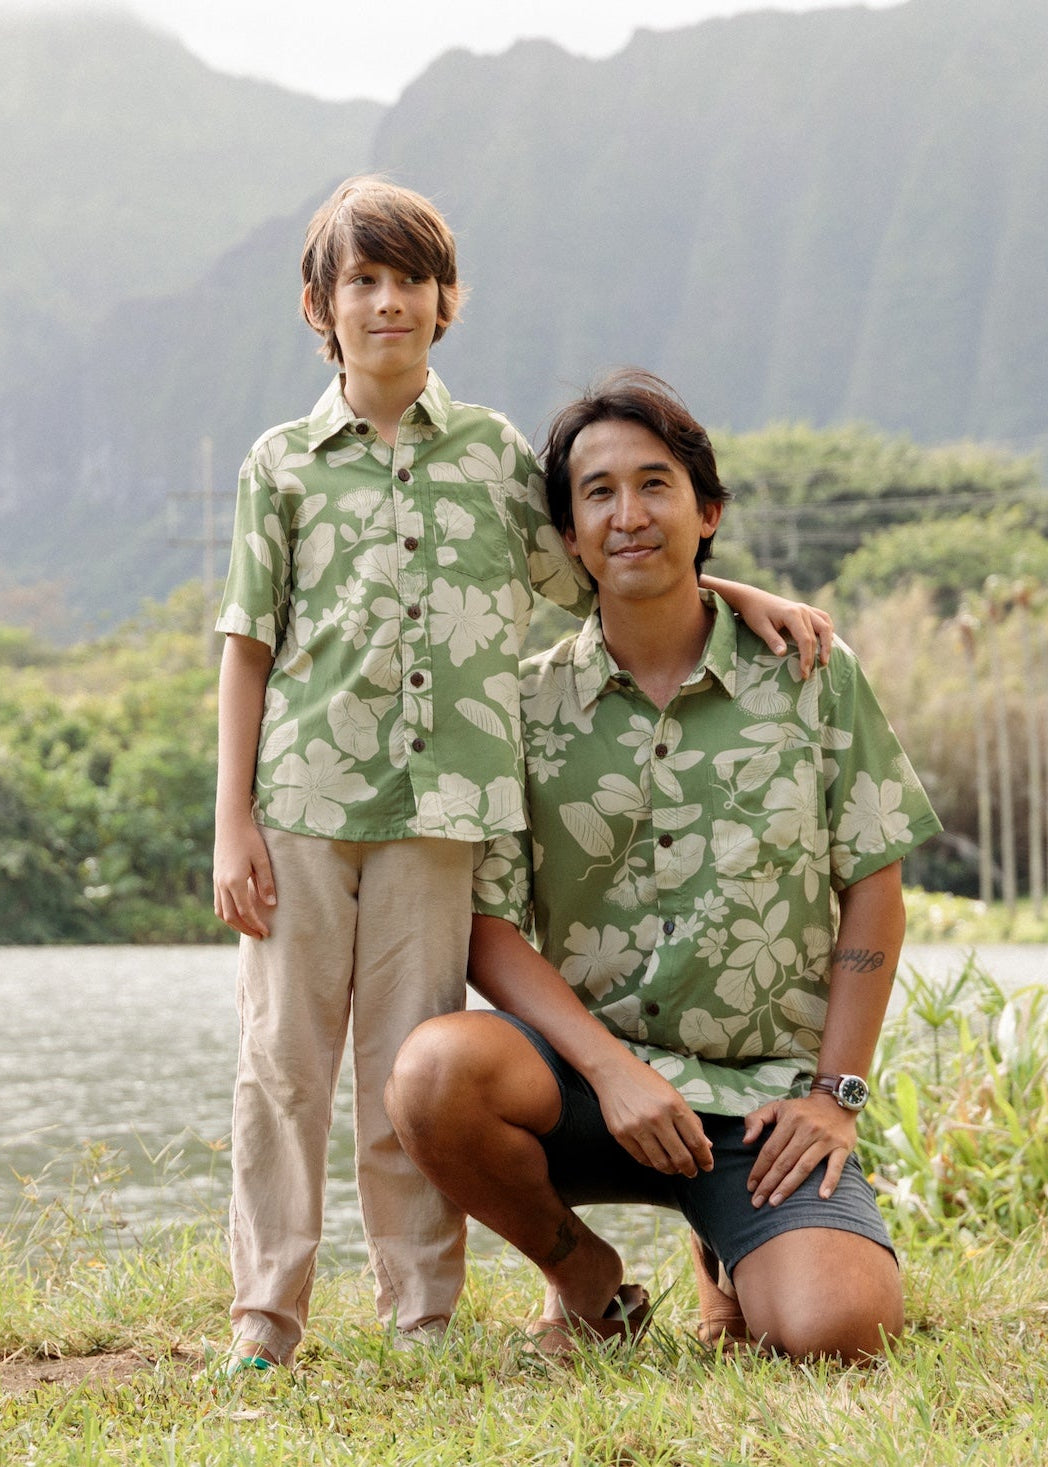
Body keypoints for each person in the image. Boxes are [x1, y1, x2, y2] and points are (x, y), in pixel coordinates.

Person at [213, 177, 833, 1370]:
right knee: (282, 1071)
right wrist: (231, 820)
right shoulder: (281, 465)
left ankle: (419, 1322)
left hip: (444, 820)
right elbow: (248, 644)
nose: (387, 302)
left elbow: (608, 563)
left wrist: (732, 588)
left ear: (446, 301)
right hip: (299, 808)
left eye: (410, 280)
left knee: (404, 1068)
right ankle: (264, 1320)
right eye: (361, 281)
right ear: (319, 305)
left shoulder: (494, 454)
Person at [387, 369, 942, 1362]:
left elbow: (873, 884)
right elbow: (489, 924)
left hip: (759, 1107)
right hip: (581, 1087)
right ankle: (582, 1274)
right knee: (434, 1073)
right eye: (598, 493)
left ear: (707, 511)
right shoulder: (520, 708)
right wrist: (614, 1072)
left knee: (840, 1334)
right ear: (569, 535)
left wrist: (834, 1096)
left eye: (655, 485)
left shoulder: (810, 675)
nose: (629, 514)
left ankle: (724, 1249)